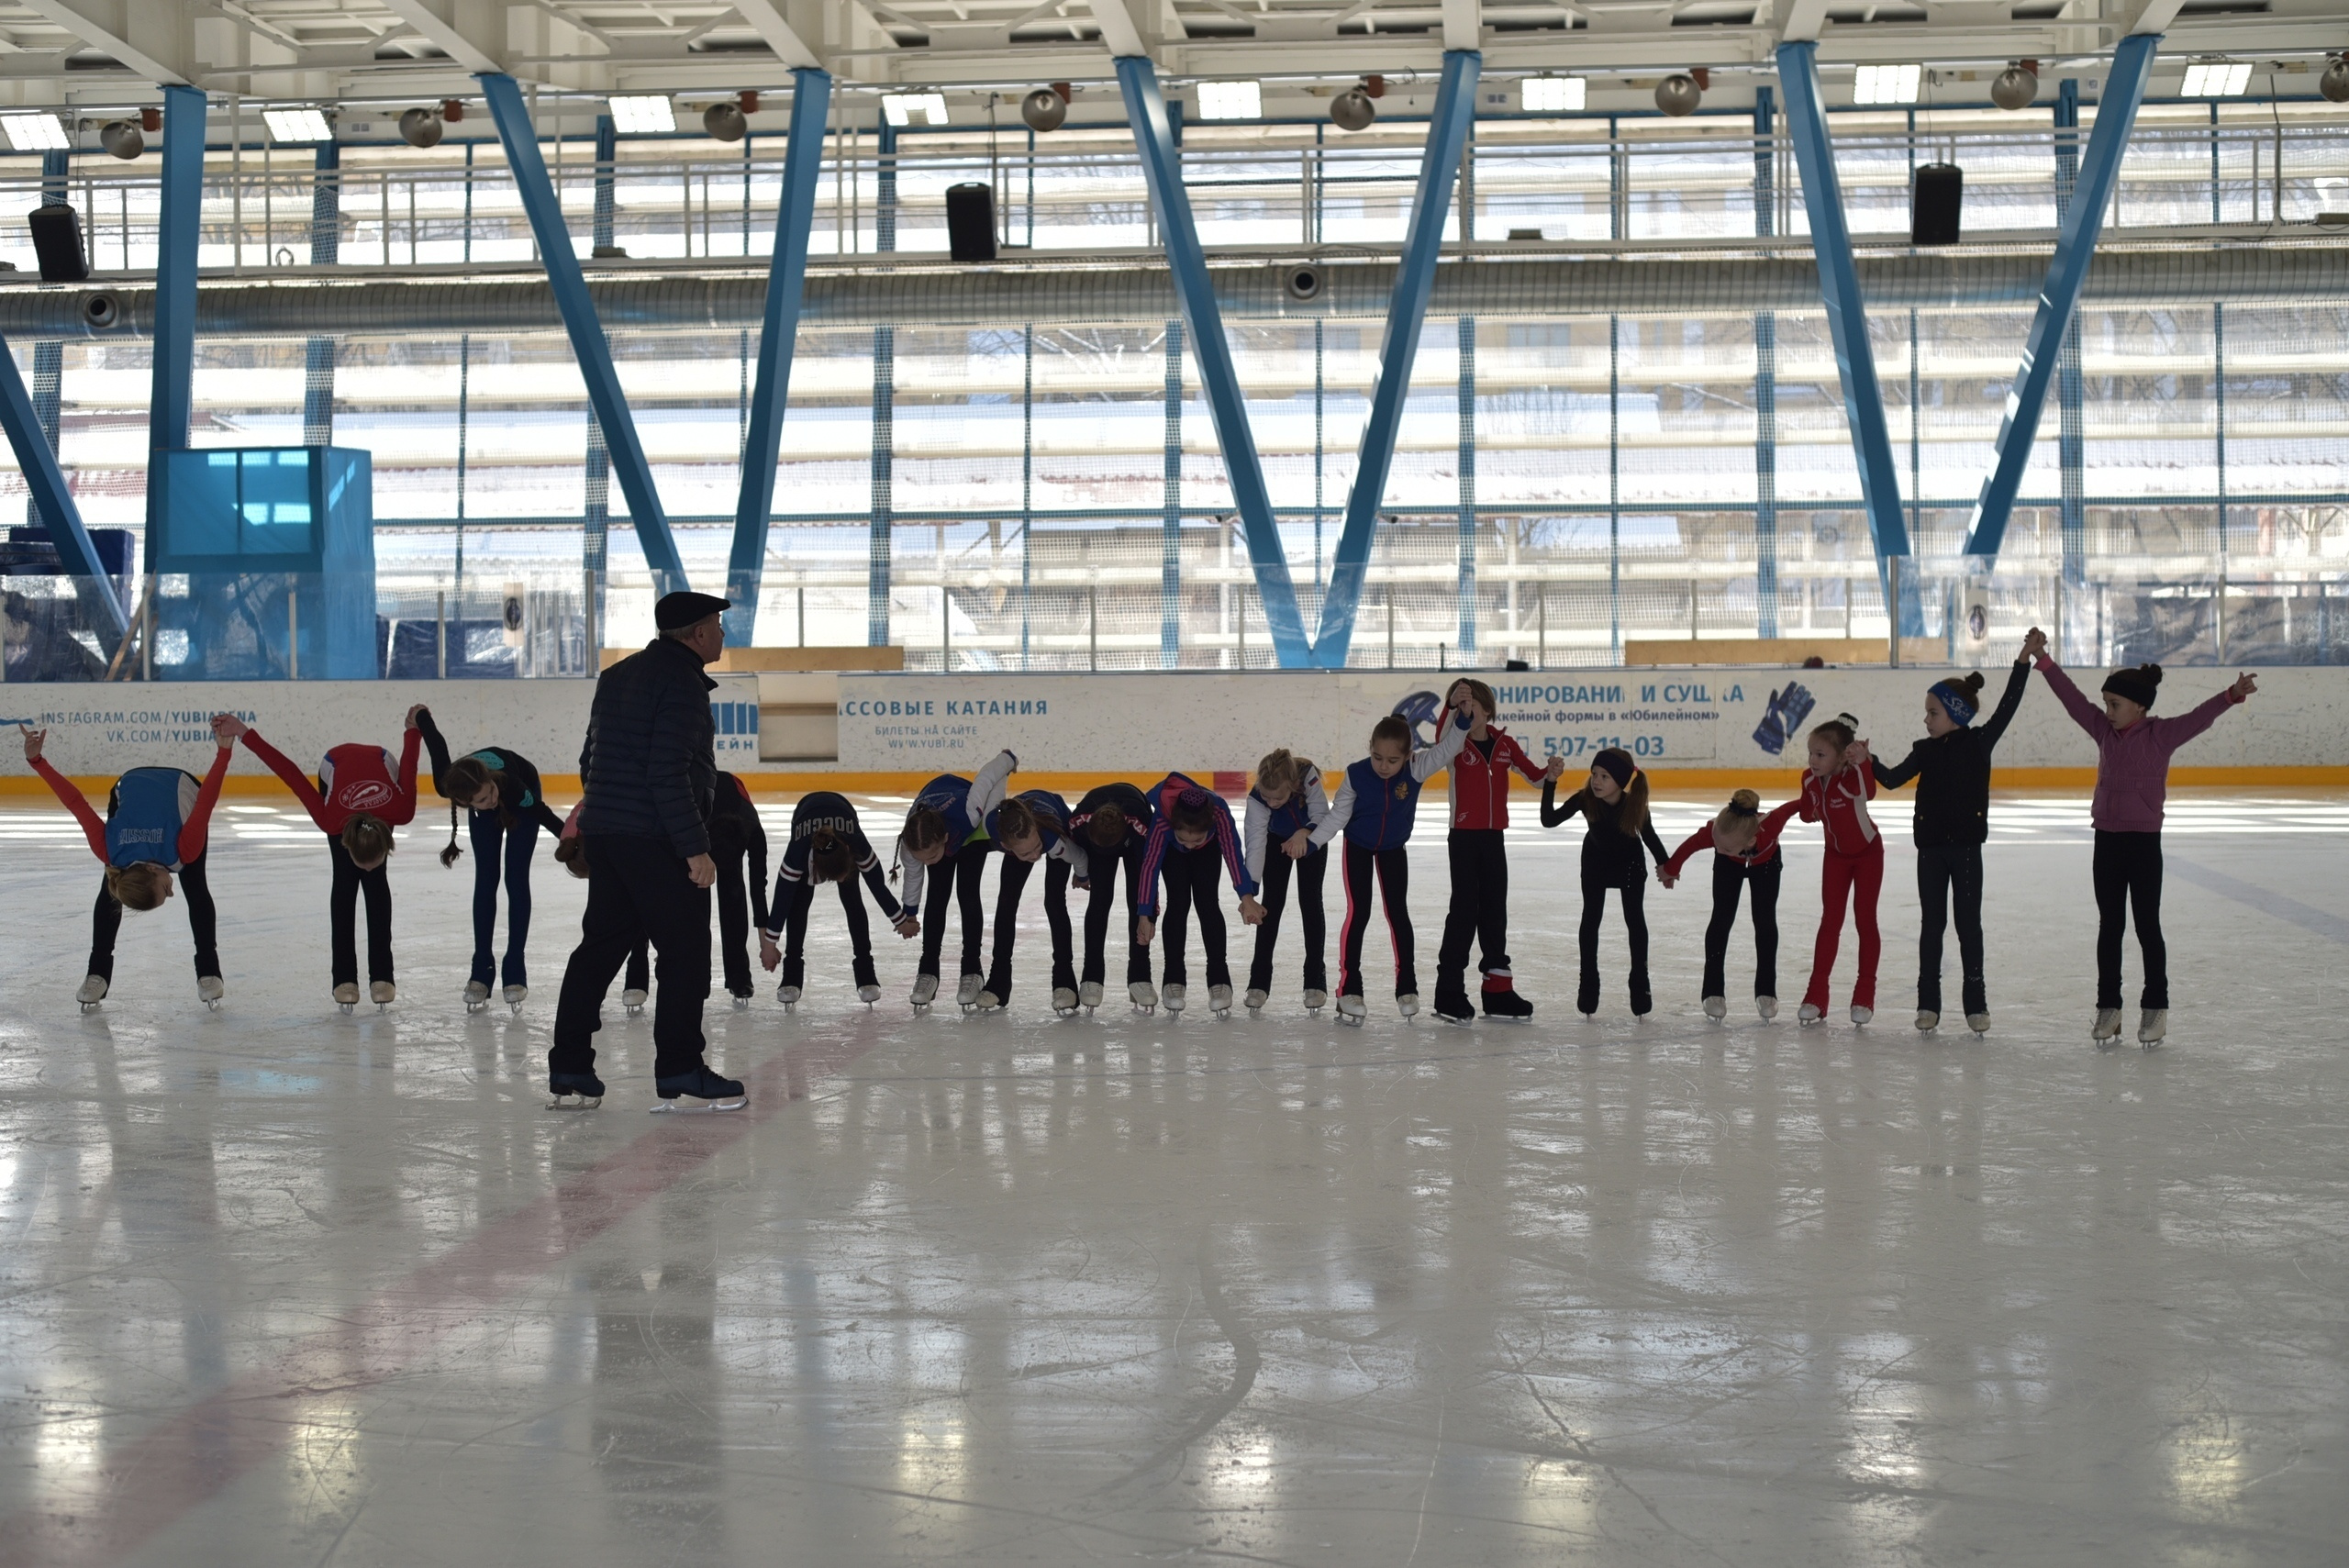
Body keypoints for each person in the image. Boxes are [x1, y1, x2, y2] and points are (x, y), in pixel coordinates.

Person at [547, 590, 743, 1111]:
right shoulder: (681, 684)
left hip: (609, 834)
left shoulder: (617, 676)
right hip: (656, 840)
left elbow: (590, 761)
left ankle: (569, 1062)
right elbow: (668, 773)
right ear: (698, 633)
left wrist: (607, 818)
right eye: (718, 625)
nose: (723, 634)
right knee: (684, 955)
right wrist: (695, 849)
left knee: (599, 950)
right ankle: (681, 1066)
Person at [2029, 635, 2257, 1046]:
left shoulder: (2161, 736)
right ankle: (2109, 1007)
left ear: (2140, 707)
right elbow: (2073, 701)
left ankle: (2156, 1007)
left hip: (2143, 845)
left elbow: (2199, 717)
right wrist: (2043, 660)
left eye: (2115, 704)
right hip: (2107, 841)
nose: (2107, 711)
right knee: (2109, 926)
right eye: (2107, 704)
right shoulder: (2102, 731)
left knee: (2147, 926)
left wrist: (2231, 695)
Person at [1865, 651, 2032, 1035]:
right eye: (1926, 712)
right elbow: (1890, 779)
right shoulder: (1924, 750)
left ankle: (1976, 1003)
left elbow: (2009, 703)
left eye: (1933, 713)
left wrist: (2023, 661)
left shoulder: (1979, 742)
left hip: (1967, 851)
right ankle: (1928, 1003)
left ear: (1956, 714)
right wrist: (1868, 758)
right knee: (1932, 926)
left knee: (1969, 926)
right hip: (1932, 852)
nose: (1926, 719)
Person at [22, 717, 234, 1009]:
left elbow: (204, 802)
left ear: (151, 870)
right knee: (114, 889)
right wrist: (36, 762)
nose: (172, 892)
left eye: (164, 890)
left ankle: (209, 971)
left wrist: (37, 762)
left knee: (195, 887)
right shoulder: (116, 853)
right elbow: (76, 803)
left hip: (179, 786)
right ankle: (97, 974)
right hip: (136, 792)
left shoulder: (160, 849)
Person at [228, 706, 422, 1011]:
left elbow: (409, 763)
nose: (368, 867)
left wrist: (412, 729)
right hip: (334, 764)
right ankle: (344, 979)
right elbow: (289, 772)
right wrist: (243, 732)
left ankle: (382, 977)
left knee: (376, 882)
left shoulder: (401, 809)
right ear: (347, 842)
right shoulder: (331, 819)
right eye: (363, 860)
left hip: (381, 762)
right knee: (345, 883)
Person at [1309, 711, 1468, 1022]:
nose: (1383, 766)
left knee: (1398, 913)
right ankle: (1349, 987)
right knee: (1360, 912)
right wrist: (1312, 842)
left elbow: (1447, 748)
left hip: (1393, 848)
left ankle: (1407, 986)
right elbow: (1338, 816)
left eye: (1392, 761)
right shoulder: (1356, 774)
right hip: (1358, 846)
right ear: (1370, 748)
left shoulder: (1416, 768)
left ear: (1407, 756)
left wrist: (1462, 722)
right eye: (1377, 757)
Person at [417, 707, 568, 1013]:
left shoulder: (509, 788)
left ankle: (515, 965)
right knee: (486, 878)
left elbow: (543, 814)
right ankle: (481, 967)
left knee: (515, 876)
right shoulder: (448, 785)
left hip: (524, 793)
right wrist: (420, 717)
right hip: (480, 802)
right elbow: (435, 742)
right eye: (483, 801)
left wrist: (572, 842)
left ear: (491, 781)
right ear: (464, 802)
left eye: (490, 792)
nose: (491, 801)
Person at [1433, 678, 1564, 1023]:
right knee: (1463, 912)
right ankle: (1449, 991)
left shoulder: (1505, 745)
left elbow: (1534, 776)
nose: (1466, 709)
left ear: (1488, 710)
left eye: (1472, 703)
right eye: (1461, 704)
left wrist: (1550, 773)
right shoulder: (1454, 744)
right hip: (1463, 838)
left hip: (1494, 839)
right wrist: (1451, 705)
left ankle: (1498, 992)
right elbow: (1441, 735)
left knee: (1494, 912)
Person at [1542, 747, 1672, 1018]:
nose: (1596, 781)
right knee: (1590, 919)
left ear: (1621, 782)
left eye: (1605, 776)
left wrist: (1667, 868)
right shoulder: (1585, 799)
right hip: (1595, 862)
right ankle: (1588, 981)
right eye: (1594, 774)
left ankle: (1640, 981)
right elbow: (1549, 820)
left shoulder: (1633, 806)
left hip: (1629, 865)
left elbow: (1652, 840)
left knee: (1635, 919)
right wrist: (1550, 782)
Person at [1659, 789, 1802, 1021]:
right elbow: (1691, 844)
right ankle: (1713, 991)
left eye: (1723, 847)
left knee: (1765, 922)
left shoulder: (1771, 825)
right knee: (1721, 920)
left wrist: (1818, 806)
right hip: (1730, 865)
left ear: (1751, 840)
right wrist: (1670, 870)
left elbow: (1796, 805)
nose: (1717, 847)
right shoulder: (1718, 834)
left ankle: (1767, 991)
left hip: (1766, 864)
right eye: (1715, 843)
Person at [761, 788, 912, 1007]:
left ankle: (866, 972)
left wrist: (901, 921)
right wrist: (769, 945)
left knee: (853, 902)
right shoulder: (799, 853)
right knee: (798, 904)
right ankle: (791, 975)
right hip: (804, 813)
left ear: (849, 853)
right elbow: (782, 900)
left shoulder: (856, 842)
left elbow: (877, 885)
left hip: (842, 810)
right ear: (816, 868)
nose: (841, 880)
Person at [895, 751, 1017, 1011]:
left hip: (969, 833)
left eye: (932, 856)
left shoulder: (970, 813)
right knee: (937, 896)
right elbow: (914, 876)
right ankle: (928, 972)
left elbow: (986, 779)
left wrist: (1008, 761)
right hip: (935, 819)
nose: (928, 863)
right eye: (923, 859)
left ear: (943, 840)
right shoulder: (912, 842)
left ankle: (972, 970)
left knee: (967, 893)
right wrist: (910, 913)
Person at [1135, 773, 1265, 1016]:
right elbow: (1149, 866)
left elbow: (1233, 854)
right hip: (1172, 855)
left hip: (1210, 854)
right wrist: (1145, 914)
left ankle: (1219, 981)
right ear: (1175, 827)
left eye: (1196, 840)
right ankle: (1173, 979)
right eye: (1184, 839)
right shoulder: (1163, 819)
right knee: (1178, 904)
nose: (1190, 845)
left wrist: (1246, 898)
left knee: (1208, 905)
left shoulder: (1219, 813)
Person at [1795, 714, 1882, 1026]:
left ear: (1841, 755)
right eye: (1811, 753)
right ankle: (1816, 995)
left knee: (1865, 920)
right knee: (1830, 922)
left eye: (1820, 754)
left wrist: (1862, 762)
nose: (1813, 760)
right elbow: (1807, 814)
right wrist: (1811, 795)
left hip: (1868, 855)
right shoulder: (1809, 777)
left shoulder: (1851, 778)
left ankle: (1864, 994)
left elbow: (1868, 791)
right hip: (1835, 857)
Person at [978, 790, 1088, 1013]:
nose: (1036, 856)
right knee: (1006, 902)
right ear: (1006, 847)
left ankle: (1065, 982)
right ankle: (998, 982)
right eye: (1027, 854)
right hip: (1019, 829)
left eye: (1037, 848)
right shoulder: (993, 827)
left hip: (1053, 822)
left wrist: (1083, 876)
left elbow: (1079, 857)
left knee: (1054, 902)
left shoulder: (1052, 840)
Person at [1241, 749, 1329, 1014]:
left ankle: (1315, 981)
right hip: (1276, 841)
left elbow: (1323, 815)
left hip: (1312, 838)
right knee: (1272, 905)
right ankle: (1258, 983)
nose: (1270, 801)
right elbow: (1255, 843)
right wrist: (1249, 894)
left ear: (1292, 786)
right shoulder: (1258, 798)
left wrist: (1305, 833)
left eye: (1277, 797)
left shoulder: (1307, 778)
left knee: (1310, 902)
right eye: (1265, 796)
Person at [1072, 782, 1154, 1011]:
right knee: (1099, 899)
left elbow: (1150, 877)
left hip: (1133, 841)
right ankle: (1091, 977)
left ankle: (1140, 976)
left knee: (1137, 903)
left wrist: (1149, 916)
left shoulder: (1142, 828)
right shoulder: (1079, 821)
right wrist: (1081, 871)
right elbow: (1070, 845)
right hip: (1097, 837)